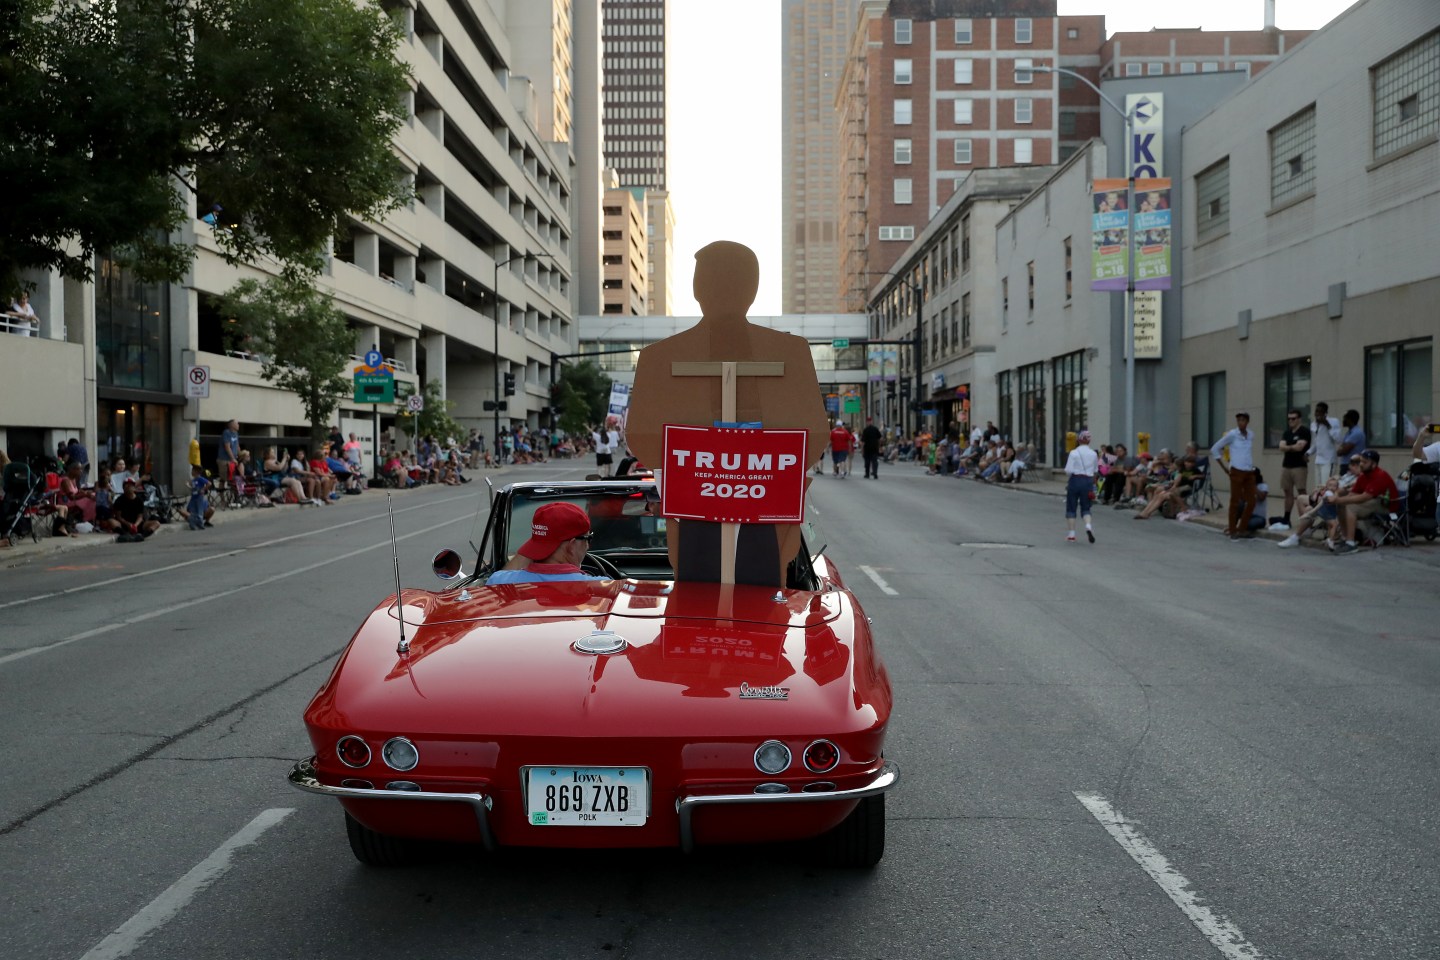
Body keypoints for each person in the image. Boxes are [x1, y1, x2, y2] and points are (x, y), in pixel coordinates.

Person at [486, 502, 606, 584]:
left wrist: (538, 544)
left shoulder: (498, 582)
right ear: (571, 545)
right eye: (588, 538)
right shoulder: (602, 586)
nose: (588, 546)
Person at [1332, 449, 1399, 554]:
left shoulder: (1379, 475)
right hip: (1373, 500)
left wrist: (1339, 499)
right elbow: (1353, 494)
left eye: (1365, 462)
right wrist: (1338, 499)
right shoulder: (1363, 476)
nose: (1361, 464)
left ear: (1373, 464)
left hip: (1386, 505)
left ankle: (1351, 544)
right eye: (1361, 461)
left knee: (1351, 507)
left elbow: (1364, 497)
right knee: (1341, 504)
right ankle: (1345, 538)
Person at [1211, 412, 1259, 540]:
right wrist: (1224, 468)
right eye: (1239, 420)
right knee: (1235, 501)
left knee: (1252, 500)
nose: (1241, 423)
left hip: (1248, 471)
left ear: (1247, 421)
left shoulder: (1250, 435)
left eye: (1243, 420)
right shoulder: (1232, 434)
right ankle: (1233, 530)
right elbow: (1215, 448)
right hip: (1236, 471)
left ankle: (1242, 528)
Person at [1273, 408, 1310, 530]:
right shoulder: (1287, 432)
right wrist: (1292, 447)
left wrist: (1287, 447)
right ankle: (1286, 518)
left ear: (1299, 419)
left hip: (1299, 466)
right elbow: (1281, 446)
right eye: (1289, 419)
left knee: (1301, 493)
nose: (1291, 421)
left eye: (1293, 418)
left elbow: (1300, 447)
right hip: (1286, 465)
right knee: (1287, 492)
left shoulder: (1304, 431)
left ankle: (1306, 518)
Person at [1063, 429, 1098, 543]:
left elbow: (1068, 470)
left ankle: (1071, 534)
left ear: (1078, 440)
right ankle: (1088, 525)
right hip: (1088, 481)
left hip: (1075, 480)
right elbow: (1095, 470)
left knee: (1071, 506)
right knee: (1086, 507)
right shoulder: (1093, 454)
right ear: (1089, 441)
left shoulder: (1074, 453)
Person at [1309, 401, 1343, 491]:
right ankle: (1318, 504)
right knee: (1318, 488)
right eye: (1316, 411)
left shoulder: (1333, 421)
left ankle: (1328, 504)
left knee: (1327, 486)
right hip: (1318, 460)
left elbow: (1339, 439)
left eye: (1320, 412)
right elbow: (1314, 443)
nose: (1317, 414)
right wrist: (1307, 453)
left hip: (1329, 460)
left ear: (1325, 413)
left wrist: (1327, 425)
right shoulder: (1313, 424)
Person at [185, 465, 211, 530]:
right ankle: (193, 524)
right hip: (193, 497)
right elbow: (193, 489)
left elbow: (209, 483)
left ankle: (200, 523)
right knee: (193, 511)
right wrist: (188, 485)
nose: (191, 472)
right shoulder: (194, 480)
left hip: (199, 497)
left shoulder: (200, 478)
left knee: (199, 511)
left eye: (192, 470)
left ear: (196, 472)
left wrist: (203, 489)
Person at [217, 419, 240, 485]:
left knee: (233, 478)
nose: (238, 425)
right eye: (237, 424)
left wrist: (240, 455)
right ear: (232, 425)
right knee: (223, 479)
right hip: (224, 460)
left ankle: (234, 494)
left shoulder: (236, 433)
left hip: (233, 460)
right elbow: (227, 447)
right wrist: (233, 458)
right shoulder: (226, 433)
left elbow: (237, 446)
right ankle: (221, 494)